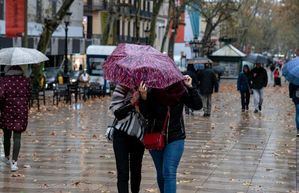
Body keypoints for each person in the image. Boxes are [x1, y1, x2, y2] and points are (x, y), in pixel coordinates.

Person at [139, 75, 202, 193]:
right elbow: (146, 114)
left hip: (175, 136)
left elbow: (197, 105)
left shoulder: (179, 89)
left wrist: (190, 87)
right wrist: (143, 97)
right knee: (161, 173)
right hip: (155, 137)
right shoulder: (152, 89)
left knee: (169, 171)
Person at [109, 84, 145, 193]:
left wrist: (143, 98)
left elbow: (151, 114)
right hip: (121, 135)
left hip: (138, 136)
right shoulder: (122, 87)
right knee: (122, 172)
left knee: (136, 172)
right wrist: (131, 103)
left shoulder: (147, 89)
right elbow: (117, 113)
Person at [0, 66, 31, 172]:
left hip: (6, 111)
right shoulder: (26, 81)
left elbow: (1, 95)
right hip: (21, 111)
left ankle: (7, 157)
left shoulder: (4, 81)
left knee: (6, 135)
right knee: (17, 137)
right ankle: (14, 163)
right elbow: (29, 95)